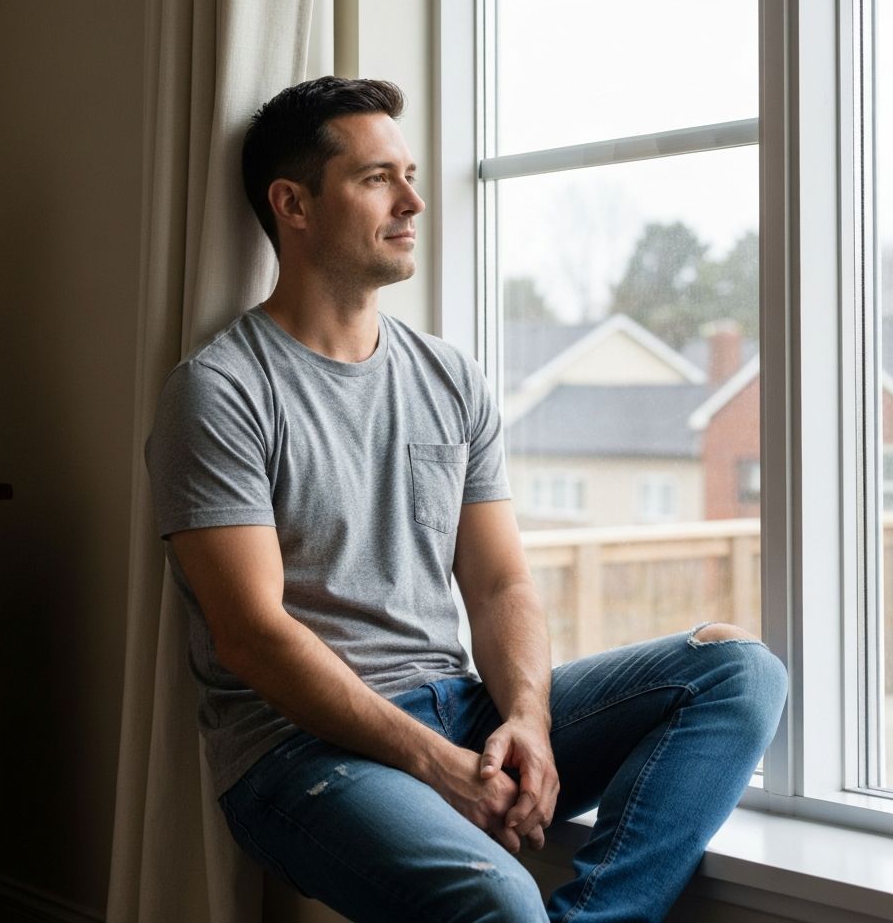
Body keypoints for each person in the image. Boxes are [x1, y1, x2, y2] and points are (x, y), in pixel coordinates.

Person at [146, 76, 788, 923]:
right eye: (378, 179)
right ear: (293, 204)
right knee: (496, 897)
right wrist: (431, 763)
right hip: (299, 756)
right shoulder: (221, 391)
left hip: (460, 704)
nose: (413, 200)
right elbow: (252, 636)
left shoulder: (449, 377)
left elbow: (498, 586)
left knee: (737, 670)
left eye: (409, 175)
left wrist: (528, 718)